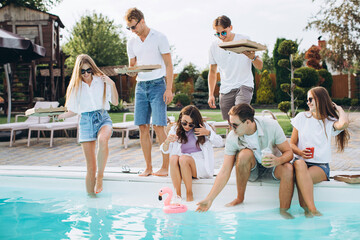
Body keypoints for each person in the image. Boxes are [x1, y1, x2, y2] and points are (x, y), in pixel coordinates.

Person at [196, 104, 295, 218]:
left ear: (248, 122)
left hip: (273, 167)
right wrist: (209, 199)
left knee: (288, 168)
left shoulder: (271, 126)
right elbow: (224, 171)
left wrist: (278, 160)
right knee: (244, 154)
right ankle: (240, 198)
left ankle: (284, 211)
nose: (232, 129)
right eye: (230, 124)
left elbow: (289, 153)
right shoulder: (233, 137)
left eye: (235, 125)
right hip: (251, 171)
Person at [58, 54, 119, 194]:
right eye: (82, 71)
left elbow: (115, 102)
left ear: (93, 69)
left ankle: (101, 177)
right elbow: (72, 111)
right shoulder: (75, 87)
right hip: (85, 122)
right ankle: (91, 201)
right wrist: (59, 116)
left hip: (102, 117)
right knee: (90, 168)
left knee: (103, 139)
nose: (86, 74)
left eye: (88, 70)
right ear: (78, 72)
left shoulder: (102, 81)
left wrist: (112, 84)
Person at [124, 7, 173, 177]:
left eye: (134, 27)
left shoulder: (159, 37)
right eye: (129, 28)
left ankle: (166, 167)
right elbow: (133, 67)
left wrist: (169, 89)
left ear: (142, 21)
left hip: (158, 85)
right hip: (141, 86)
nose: (132, 31)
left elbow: (169, 65)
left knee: (159, 126)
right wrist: (130, 71)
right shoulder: (131, 42)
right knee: (142, 126)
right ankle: (148, 167)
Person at [290, 86, 349, 217]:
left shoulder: (330, 122)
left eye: (310, 99)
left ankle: (309, 210)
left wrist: (339, 109)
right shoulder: (301, 117)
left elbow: (344, 123)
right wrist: (300, 152)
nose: (308, 103)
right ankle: (311, 211)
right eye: (307, 100)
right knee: (299, 165)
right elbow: (292, 144)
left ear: (320, 99)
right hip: (301, 163)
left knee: (302, 178)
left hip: (320, 167)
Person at [160, 105, 223, 201]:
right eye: (184, 123)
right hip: (182, 164)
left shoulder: (204, 127)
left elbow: (220, 143)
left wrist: (208, 133)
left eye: (191, 124)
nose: (187, 127)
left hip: (199, 165)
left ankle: (189, 194)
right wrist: (167, 141)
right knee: (173, 158)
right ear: (180, 119)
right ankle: (178, 195)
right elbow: (164, 150)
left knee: (184, 158)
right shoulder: (175, 129)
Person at [207, 15, 263, 121]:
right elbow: (212, 72)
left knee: (240, 117)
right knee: (230, 123)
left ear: (230, 28)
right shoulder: (213, 46)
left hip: (244, 85)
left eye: (223, 32)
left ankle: (249, 136)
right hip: (226, 89)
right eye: (217, 34)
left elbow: (260, 66)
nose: (221, 36)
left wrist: (252, 56)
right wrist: (211, 94)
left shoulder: (244, 40)